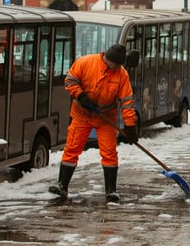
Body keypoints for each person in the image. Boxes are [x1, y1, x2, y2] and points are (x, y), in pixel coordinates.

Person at [49, 44, 138, 202]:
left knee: (109, 153)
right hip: (81, 114)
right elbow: (70, 81)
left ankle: (111, 191)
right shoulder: (85, 63)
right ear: (107, 59)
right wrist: (81, 96)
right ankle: (62, 185)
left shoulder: (121, 75)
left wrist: (130, 126)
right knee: (72, 148)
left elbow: (126, 102)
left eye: (119, 65)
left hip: (106, 118)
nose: (117, 68)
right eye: (115, 65)